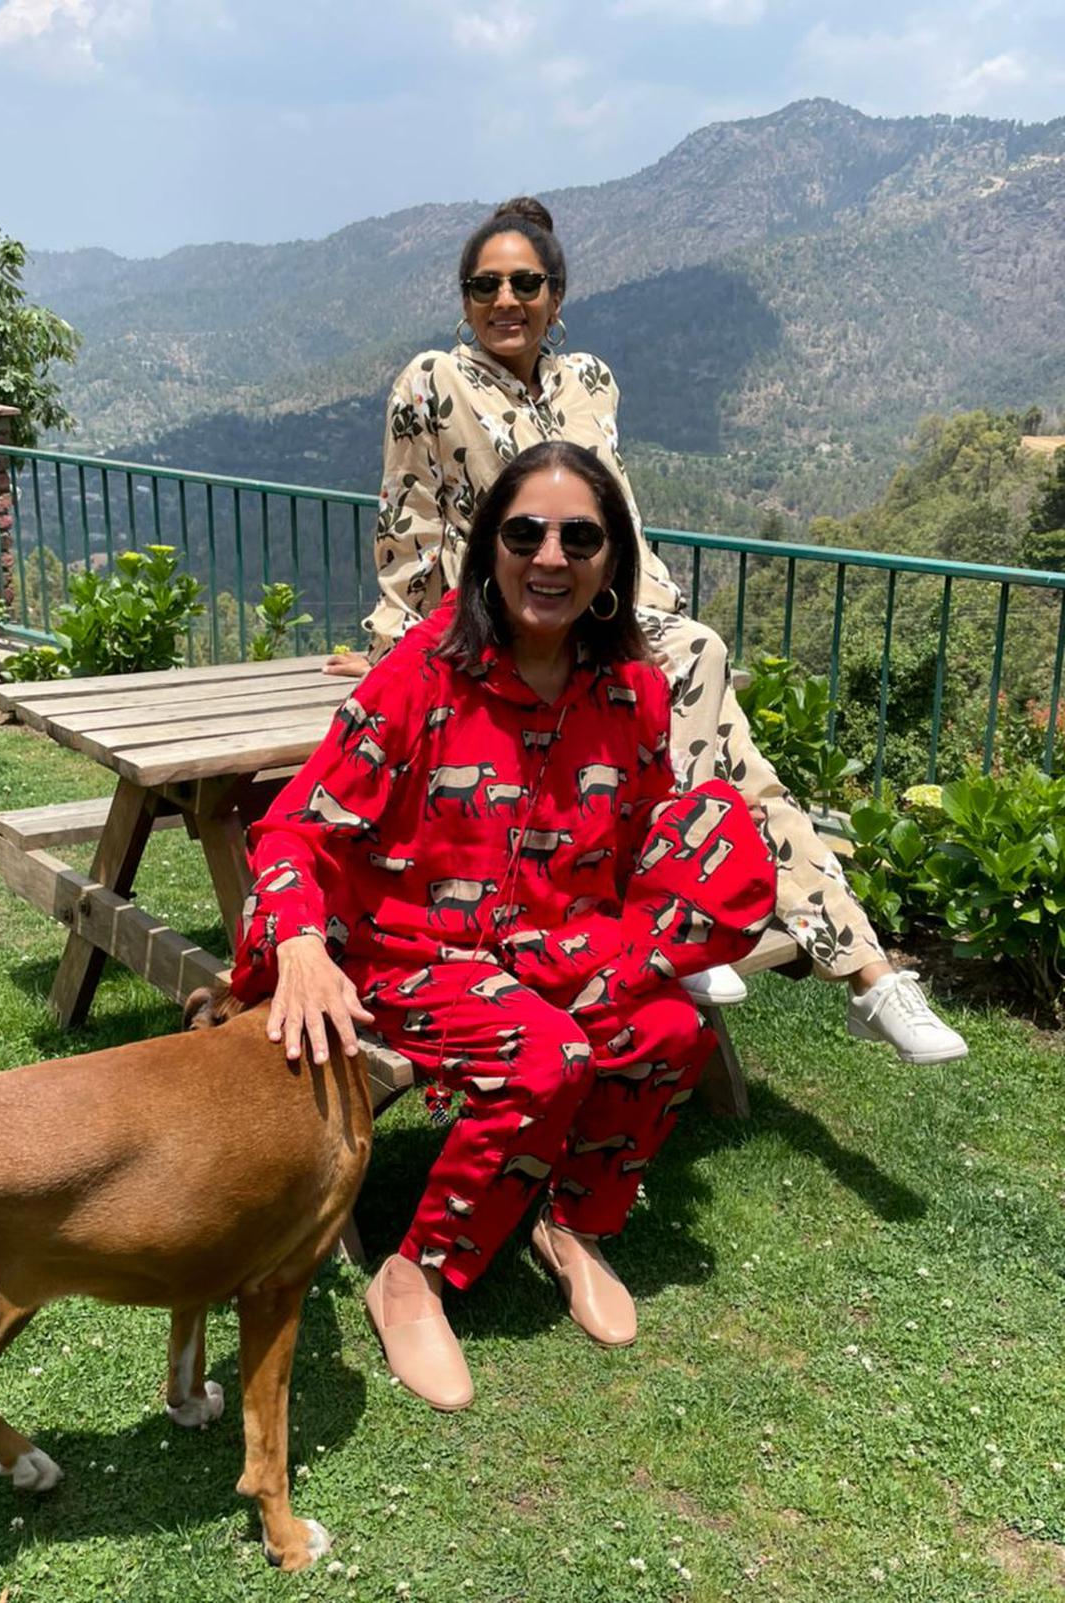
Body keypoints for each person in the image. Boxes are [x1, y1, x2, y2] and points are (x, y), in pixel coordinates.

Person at [323, 196, 966, 1066]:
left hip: (622, 607)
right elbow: (410, 525)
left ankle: (865, 969)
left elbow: (616, 506)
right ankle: (761, 930)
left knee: (744, 766)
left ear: (557, 293)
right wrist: (398, 639)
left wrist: (636, 590)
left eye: (525, 282)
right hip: (522, 615)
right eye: (484, 284)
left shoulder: (589, 380)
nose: (504, 299)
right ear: (464, 296)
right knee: (705, 666)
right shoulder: (434, 381)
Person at [232, 442, 776, 1410]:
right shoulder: (423, 675)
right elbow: (295, 823)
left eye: (581, 537)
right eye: (525, 532)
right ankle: (415, 1272)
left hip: (560, 950)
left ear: (614, 563)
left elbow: (650, 827)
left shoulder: (632, 694)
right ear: (490, 549)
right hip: (415, 958)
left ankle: (570, 1222)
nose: (551, 557)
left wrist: (694, 894)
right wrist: (301, 942)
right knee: (550, 1057)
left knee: (673, 1031)